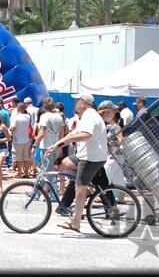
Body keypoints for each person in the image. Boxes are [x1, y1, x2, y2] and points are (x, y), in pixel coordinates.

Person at [46, 92, 108, 233]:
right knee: (65, 162)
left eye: (77, 101)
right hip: (83, 155)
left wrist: (67, 141)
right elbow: (74, 133)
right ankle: (84, 183)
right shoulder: (86, 116)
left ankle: (76, 222)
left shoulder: (90, 115)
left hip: (90, 157)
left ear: (83, 103)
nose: (75, 103)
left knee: (79, 188)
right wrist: (57, 145)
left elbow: (86, 135)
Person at [31, 97, 64, 199]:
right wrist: (60, 147)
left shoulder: (44, 117)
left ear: (44, 106)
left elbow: (41, 133)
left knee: (48, 172)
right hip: (55, 146)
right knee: (44, 171)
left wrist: (34, 145)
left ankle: (54, 195)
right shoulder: (59, 117)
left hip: (46, 147)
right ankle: (35, 193)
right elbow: (61, 134)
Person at [10, 102, 32, 178]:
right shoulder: (28, 117)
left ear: (18, 108)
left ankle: (19, 173)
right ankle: (26, 173)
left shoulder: (16, 118)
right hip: (26, 139)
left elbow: (13, 128)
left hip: (18, 139)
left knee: (19, 158)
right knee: (26, 157)